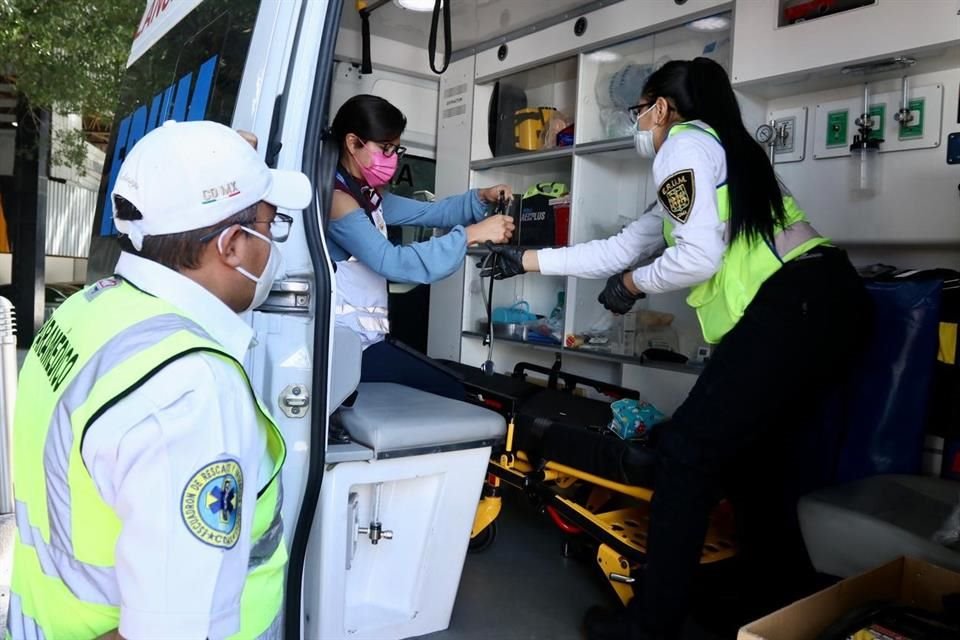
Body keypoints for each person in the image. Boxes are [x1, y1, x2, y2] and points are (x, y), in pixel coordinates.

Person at [482, 58, 871, 639]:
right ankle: (769, 609)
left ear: (661, 107)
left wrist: (632, 285)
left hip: (796, 309)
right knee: (757, 464)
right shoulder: (724, 151)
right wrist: (528, 260)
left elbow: (695, 258)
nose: (639, 124)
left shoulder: (683, 145)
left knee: (687, 453)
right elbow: (621, 247)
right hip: (831, 303)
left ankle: (651, 625)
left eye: (639, 111)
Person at [8, 120, 311, 640]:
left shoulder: (85, 311)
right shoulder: (192, 388)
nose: (272, 245)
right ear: (231, 245)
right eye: (270, 225)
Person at [328, 94, 515, 400]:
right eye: (385, 148)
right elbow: (392, 262)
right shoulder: (338, 200)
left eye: (395, 149)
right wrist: (470, 235)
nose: (392, 158)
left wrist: (480, 197)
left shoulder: (367, 195)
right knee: (451, 390)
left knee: (451, 382)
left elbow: (428, 212)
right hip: (343, 351)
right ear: (352, 143)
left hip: (365, 344)